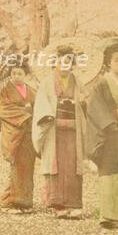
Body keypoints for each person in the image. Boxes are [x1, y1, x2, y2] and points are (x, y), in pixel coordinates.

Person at [86, 44, 118, 229]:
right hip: (108, 135)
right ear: (108, 63)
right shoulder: (102, 83)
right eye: (116, 60)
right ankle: (108, 216)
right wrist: (113, 119)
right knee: (109, 173)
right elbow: (95, 107)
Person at [33, 46, 86, 219]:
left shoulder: (77, 81)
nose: (65, 66)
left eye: (68, 62)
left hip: (73, 130)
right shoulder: (48, 82)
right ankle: (58, 205)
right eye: (61, 62)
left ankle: (73, 203)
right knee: (57, 165)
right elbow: (42, 103)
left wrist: (80, 102)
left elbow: (84, 102)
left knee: (72, 166)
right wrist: (53, 110)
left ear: (72, 64)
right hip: (54, 130)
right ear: (55, 63)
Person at [0, 64, 37, 213]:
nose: (16, 76)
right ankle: (11, 201)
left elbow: (37, 107)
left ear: (25, 75)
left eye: (20, 73)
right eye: (14, 73)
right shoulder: (5, 90)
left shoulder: (32, 90)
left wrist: (31, 114)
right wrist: (24, 113)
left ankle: (25, 201)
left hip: (29, 132)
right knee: (17, 165)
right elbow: (2, 108)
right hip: (14, 130)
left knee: (28, 165)